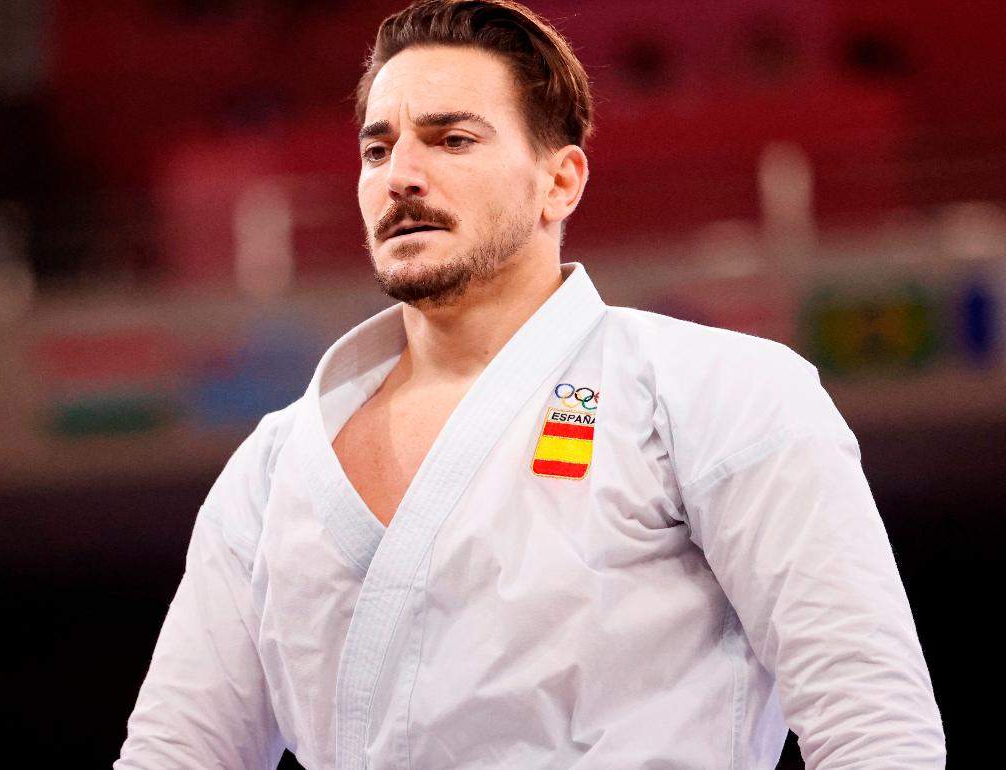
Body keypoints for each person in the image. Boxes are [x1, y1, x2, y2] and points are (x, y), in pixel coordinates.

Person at [116, 1, 945, 767]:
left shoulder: (716, 393)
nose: (401, 174)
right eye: (377, 148)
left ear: (560, 181)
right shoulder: (275, 469)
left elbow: (874, 725)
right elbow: (173, 754)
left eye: (452, 139)